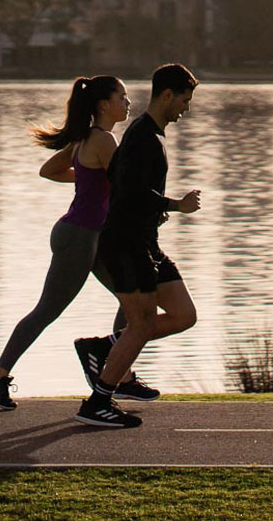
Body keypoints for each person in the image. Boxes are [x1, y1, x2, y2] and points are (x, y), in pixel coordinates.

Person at [0, 75, 160, 410]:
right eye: (122, 96)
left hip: (92, 235)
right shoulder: (102, 141)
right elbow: (125, 191)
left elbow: (50, 170)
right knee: (48, 309)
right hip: (77, 236)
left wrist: (89, 177)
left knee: (132, 296)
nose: (128, 102)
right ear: (104, 104)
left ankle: (121, 376)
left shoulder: (87, 139)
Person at [74, 63, 202, 428]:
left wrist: (157, 211)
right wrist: (173, 204)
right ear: (166, 95)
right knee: (142, 323)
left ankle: (106, 347)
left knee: (184, 315)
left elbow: (126, 186)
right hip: (125, 244)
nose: (186, 108)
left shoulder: (152, 135)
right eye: (184, 100)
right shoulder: (143, 136)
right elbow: (129, 192)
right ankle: (98, 402)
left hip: (147, 242)